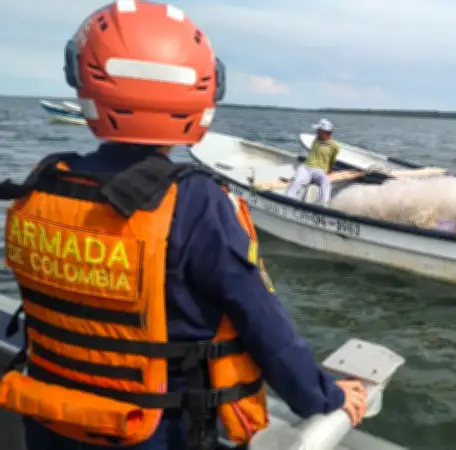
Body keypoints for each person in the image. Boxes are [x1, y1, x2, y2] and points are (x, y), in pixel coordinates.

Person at [0, 2, 366, 450]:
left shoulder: (43, 181)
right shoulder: (195, 202)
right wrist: (325, 396)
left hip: (49, 422)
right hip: (154, 434)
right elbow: (264, 324)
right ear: (204, 94)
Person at [286, 118, 341, 204]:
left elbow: (332, 160)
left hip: (320, 170)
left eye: (318, 130)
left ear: (324, 132)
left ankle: (324, 205)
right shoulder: (316, 139)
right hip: (306, 167)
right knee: (297, 181)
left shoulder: (335, 147)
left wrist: (329, 170)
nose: (316, 131)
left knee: (326, 184)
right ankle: (288, 201)